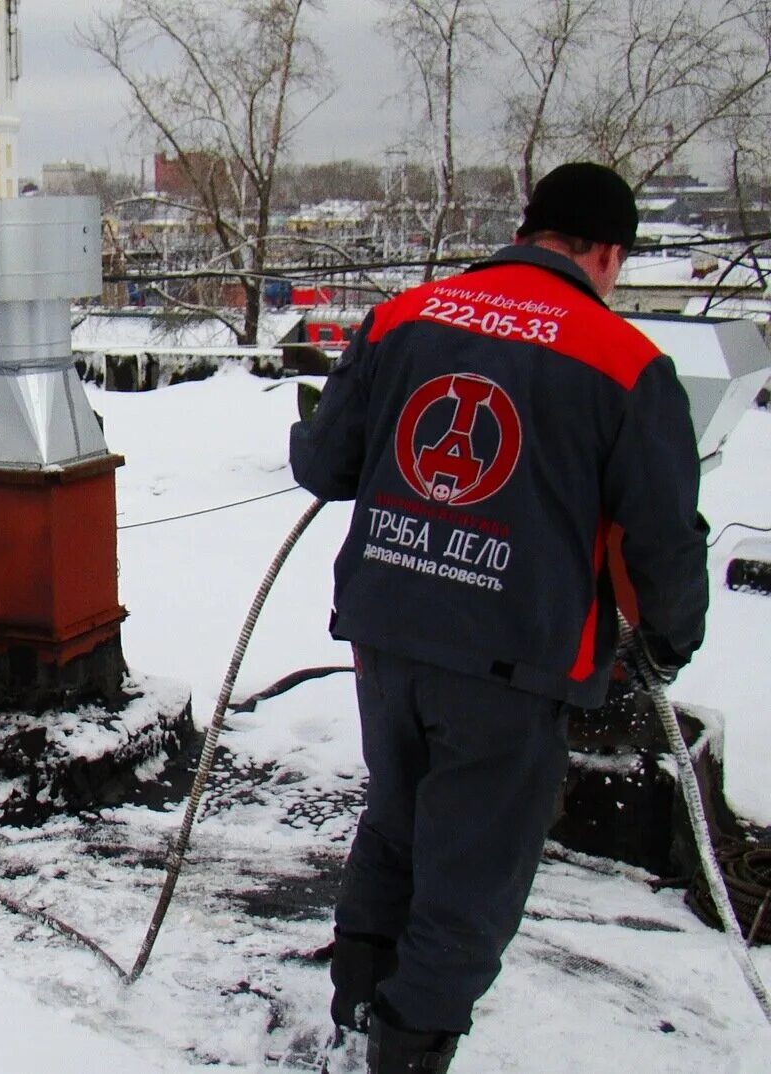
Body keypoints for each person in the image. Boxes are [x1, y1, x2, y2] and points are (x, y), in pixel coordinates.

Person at [289, 162, 709, 1073]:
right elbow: (665, 538)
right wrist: (668, 641)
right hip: (513, 660)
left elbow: (326, 466)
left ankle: (361, 1002)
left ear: (530, 231)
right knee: (473, 871)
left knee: (397, 818)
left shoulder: (404, 318)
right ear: (605, 253)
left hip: (388, 630)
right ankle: (406, 1051)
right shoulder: (628, 364)